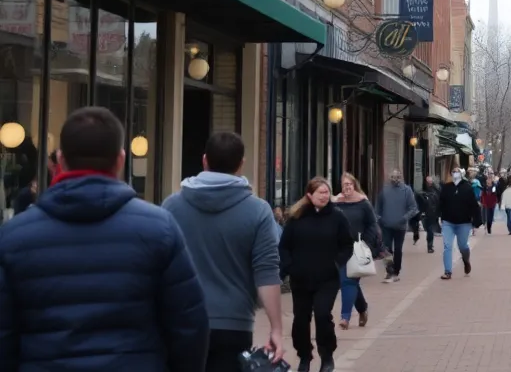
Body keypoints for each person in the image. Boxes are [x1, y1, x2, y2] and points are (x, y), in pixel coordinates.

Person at [0, 107, 209, 371]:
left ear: (60, 160)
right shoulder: (159, 229)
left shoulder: (14, 236)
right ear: (120, 160)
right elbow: (189, 326)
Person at [164, 131, 285, 371]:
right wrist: (276, 329)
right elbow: (267, 273)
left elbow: (159, 266)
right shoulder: (258, 211)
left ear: (204, 160)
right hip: (234, 324)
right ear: (241, 164)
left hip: (181, 320)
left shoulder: (172, 206)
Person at [279, 177, 354, 372]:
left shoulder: (337, 217)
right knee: (300, 319)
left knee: (322, 315)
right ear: (309, 195)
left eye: (327, 192)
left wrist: (336, 263)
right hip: (301, 279)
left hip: (327, 279)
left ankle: (327, 356)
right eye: (320, 192)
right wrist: (289, 266)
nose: (324, 196)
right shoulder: (296, 218)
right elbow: (284, 246)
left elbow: (347, 245)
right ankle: (304, 356)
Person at [333, 173, 380, 330]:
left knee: (348, 281)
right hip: (339, 248)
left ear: (354, 185)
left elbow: (372, 225)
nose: (347, 187)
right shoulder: (336, 203)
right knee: (348, 281)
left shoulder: (363, 203)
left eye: (349, 184)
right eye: (344, 184)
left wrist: (366, 243)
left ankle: (345, 317)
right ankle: (362, 308)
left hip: (356, 248)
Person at [437, 166, 482, 280]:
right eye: (453, 171)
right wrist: (438, 216)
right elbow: (440, 203)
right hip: (448, 222)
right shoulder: (446, 188)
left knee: (463, 246)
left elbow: (474, 205)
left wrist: (476, 221)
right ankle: (448, 271)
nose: (455, 173)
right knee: (447, 246)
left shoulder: (467, 188)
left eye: (457, 171)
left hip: (464, 223)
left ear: (461, 174)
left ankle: (466, 260)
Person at [375, 168, 419, 283]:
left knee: (398, 249)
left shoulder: (407, 190)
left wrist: (404, 218)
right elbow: (378, 207)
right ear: (389, 177)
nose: (395, 179)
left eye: (397, 177)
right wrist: (379, 219)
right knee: (387, 249)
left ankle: (396, 272)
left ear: (401, 177)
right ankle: (389, 271)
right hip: (386, 225)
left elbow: (413, 208)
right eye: (393, 177)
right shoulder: (384, 190)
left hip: (400, 226)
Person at [419, 175, 442, 253]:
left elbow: (439, 202)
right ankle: (430, 245)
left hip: (432, 213)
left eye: (430, 181)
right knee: (429, 230)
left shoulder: (435, 191)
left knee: (430, 230)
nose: (429, 183)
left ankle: (430, 246)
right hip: (428, 213)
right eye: (428, 181)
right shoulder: (425, 192)